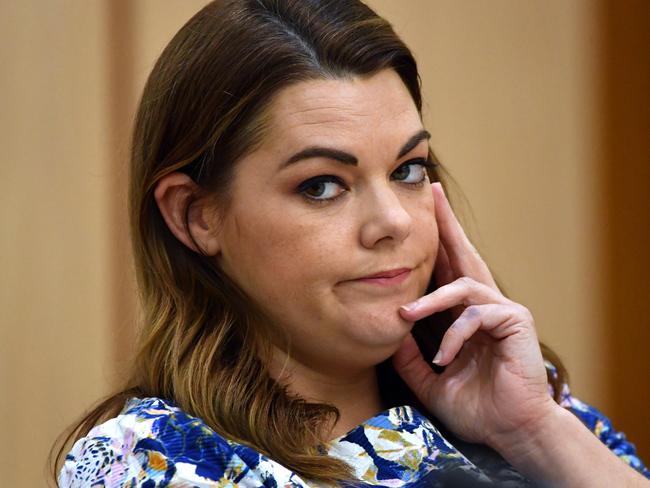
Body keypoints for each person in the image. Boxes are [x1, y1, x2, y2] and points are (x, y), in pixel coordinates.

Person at [53, 1, 650, 486]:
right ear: (195, 216)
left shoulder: (520, 397)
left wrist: (535, 432)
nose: (391, 221)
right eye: (321, 185)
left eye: (408, 170)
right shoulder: (155, 458)